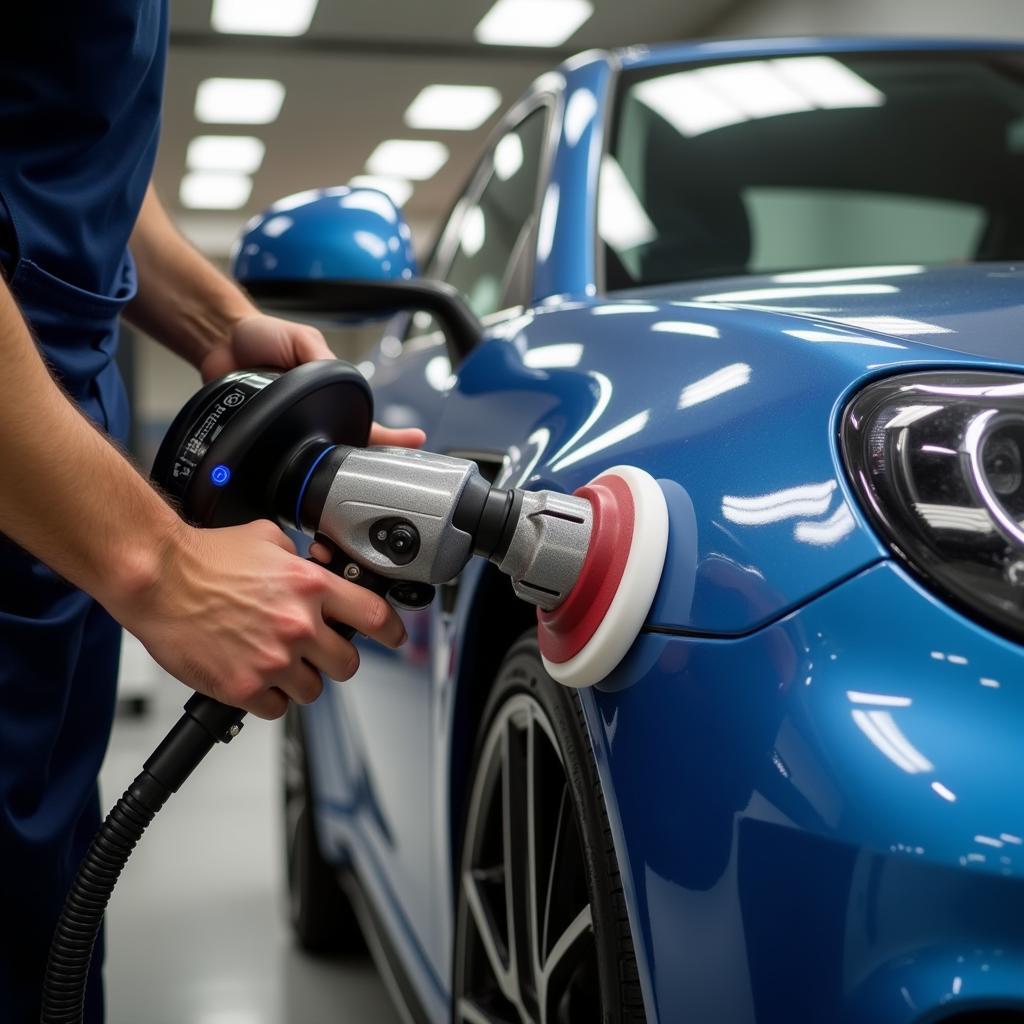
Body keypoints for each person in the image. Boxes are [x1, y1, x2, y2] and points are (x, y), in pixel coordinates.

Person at [0, 5, 424, 1020]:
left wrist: (212, 316)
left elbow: (58, 131)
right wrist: (158, 563)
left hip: (45, 500)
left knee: (37, 934)